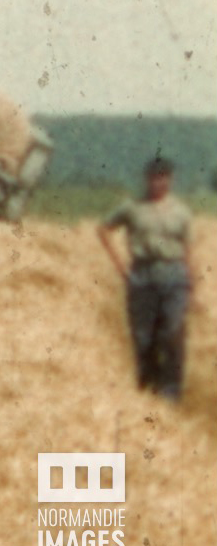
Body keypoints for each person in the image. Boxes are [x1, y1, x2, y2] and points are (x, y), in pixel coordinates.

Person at [96, 157, 193, 401]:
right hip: (142, 276)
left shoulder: (181, 212)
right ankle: (148, 389)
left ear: (170, 180)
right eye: (154, 178)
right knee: (143, 336)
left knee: (172, 331)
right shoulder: (132, 207)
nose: (159, 183)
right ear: (147, 179)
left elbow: (188, 248)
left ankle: (171, 392)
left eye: (164, 178)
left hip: (173, 275)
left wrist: (191, 281)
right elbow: (103, 229)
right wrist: (121, 267)